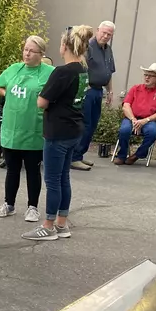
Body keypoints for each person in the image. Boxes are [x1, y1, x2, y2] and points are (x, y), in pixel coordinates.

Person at [23, 25, 92, 242]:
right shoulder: (83, 70)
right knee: (64, 178)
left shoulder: (61, 72)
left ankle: (48, 226)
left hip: (57, 131)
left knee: (52, 180)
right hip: (74, 129)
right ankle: (62, 223)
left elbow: (42, 102)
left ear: (65, 46)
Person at [0, 35, 53, 221]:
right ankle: (8, 204)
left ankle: (32, 207)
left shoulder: (49, 72)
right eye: (25, 49)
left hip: (34, 129)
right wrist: (7, 94)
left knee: (33, 171)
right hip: (12, 128)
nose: (26, 53)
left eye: (31, 51)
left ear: (41, 54)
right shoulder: (13, 69)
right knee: (12, 169)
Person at [72, 20, 115, 170]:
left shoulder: (108, 50)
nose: (106, 36)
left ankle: (80, 155)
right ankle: (74, 157)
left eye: (109, 34)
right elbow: (79, 66)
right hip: (88, 90)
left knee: (93, 125)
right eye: (104, 32)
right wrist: (86, 86)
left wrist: (110, 91)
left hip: (99, 91)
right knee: (84, 123)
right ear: (98, 30)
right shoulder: (87, 47)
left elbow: (109, 72)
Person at [114, 63, 156, 165]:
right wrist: (134, 120)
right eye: (145, 75)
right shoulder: (136, 88)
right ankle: (122, 155)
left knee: (153, 132)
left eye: (150, 75)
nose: (147, 77)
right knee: (124, 130)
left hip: (149, 121)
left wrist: (144, 121)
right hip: (132, 118)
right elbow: (126, 106)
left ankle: (137, 155)